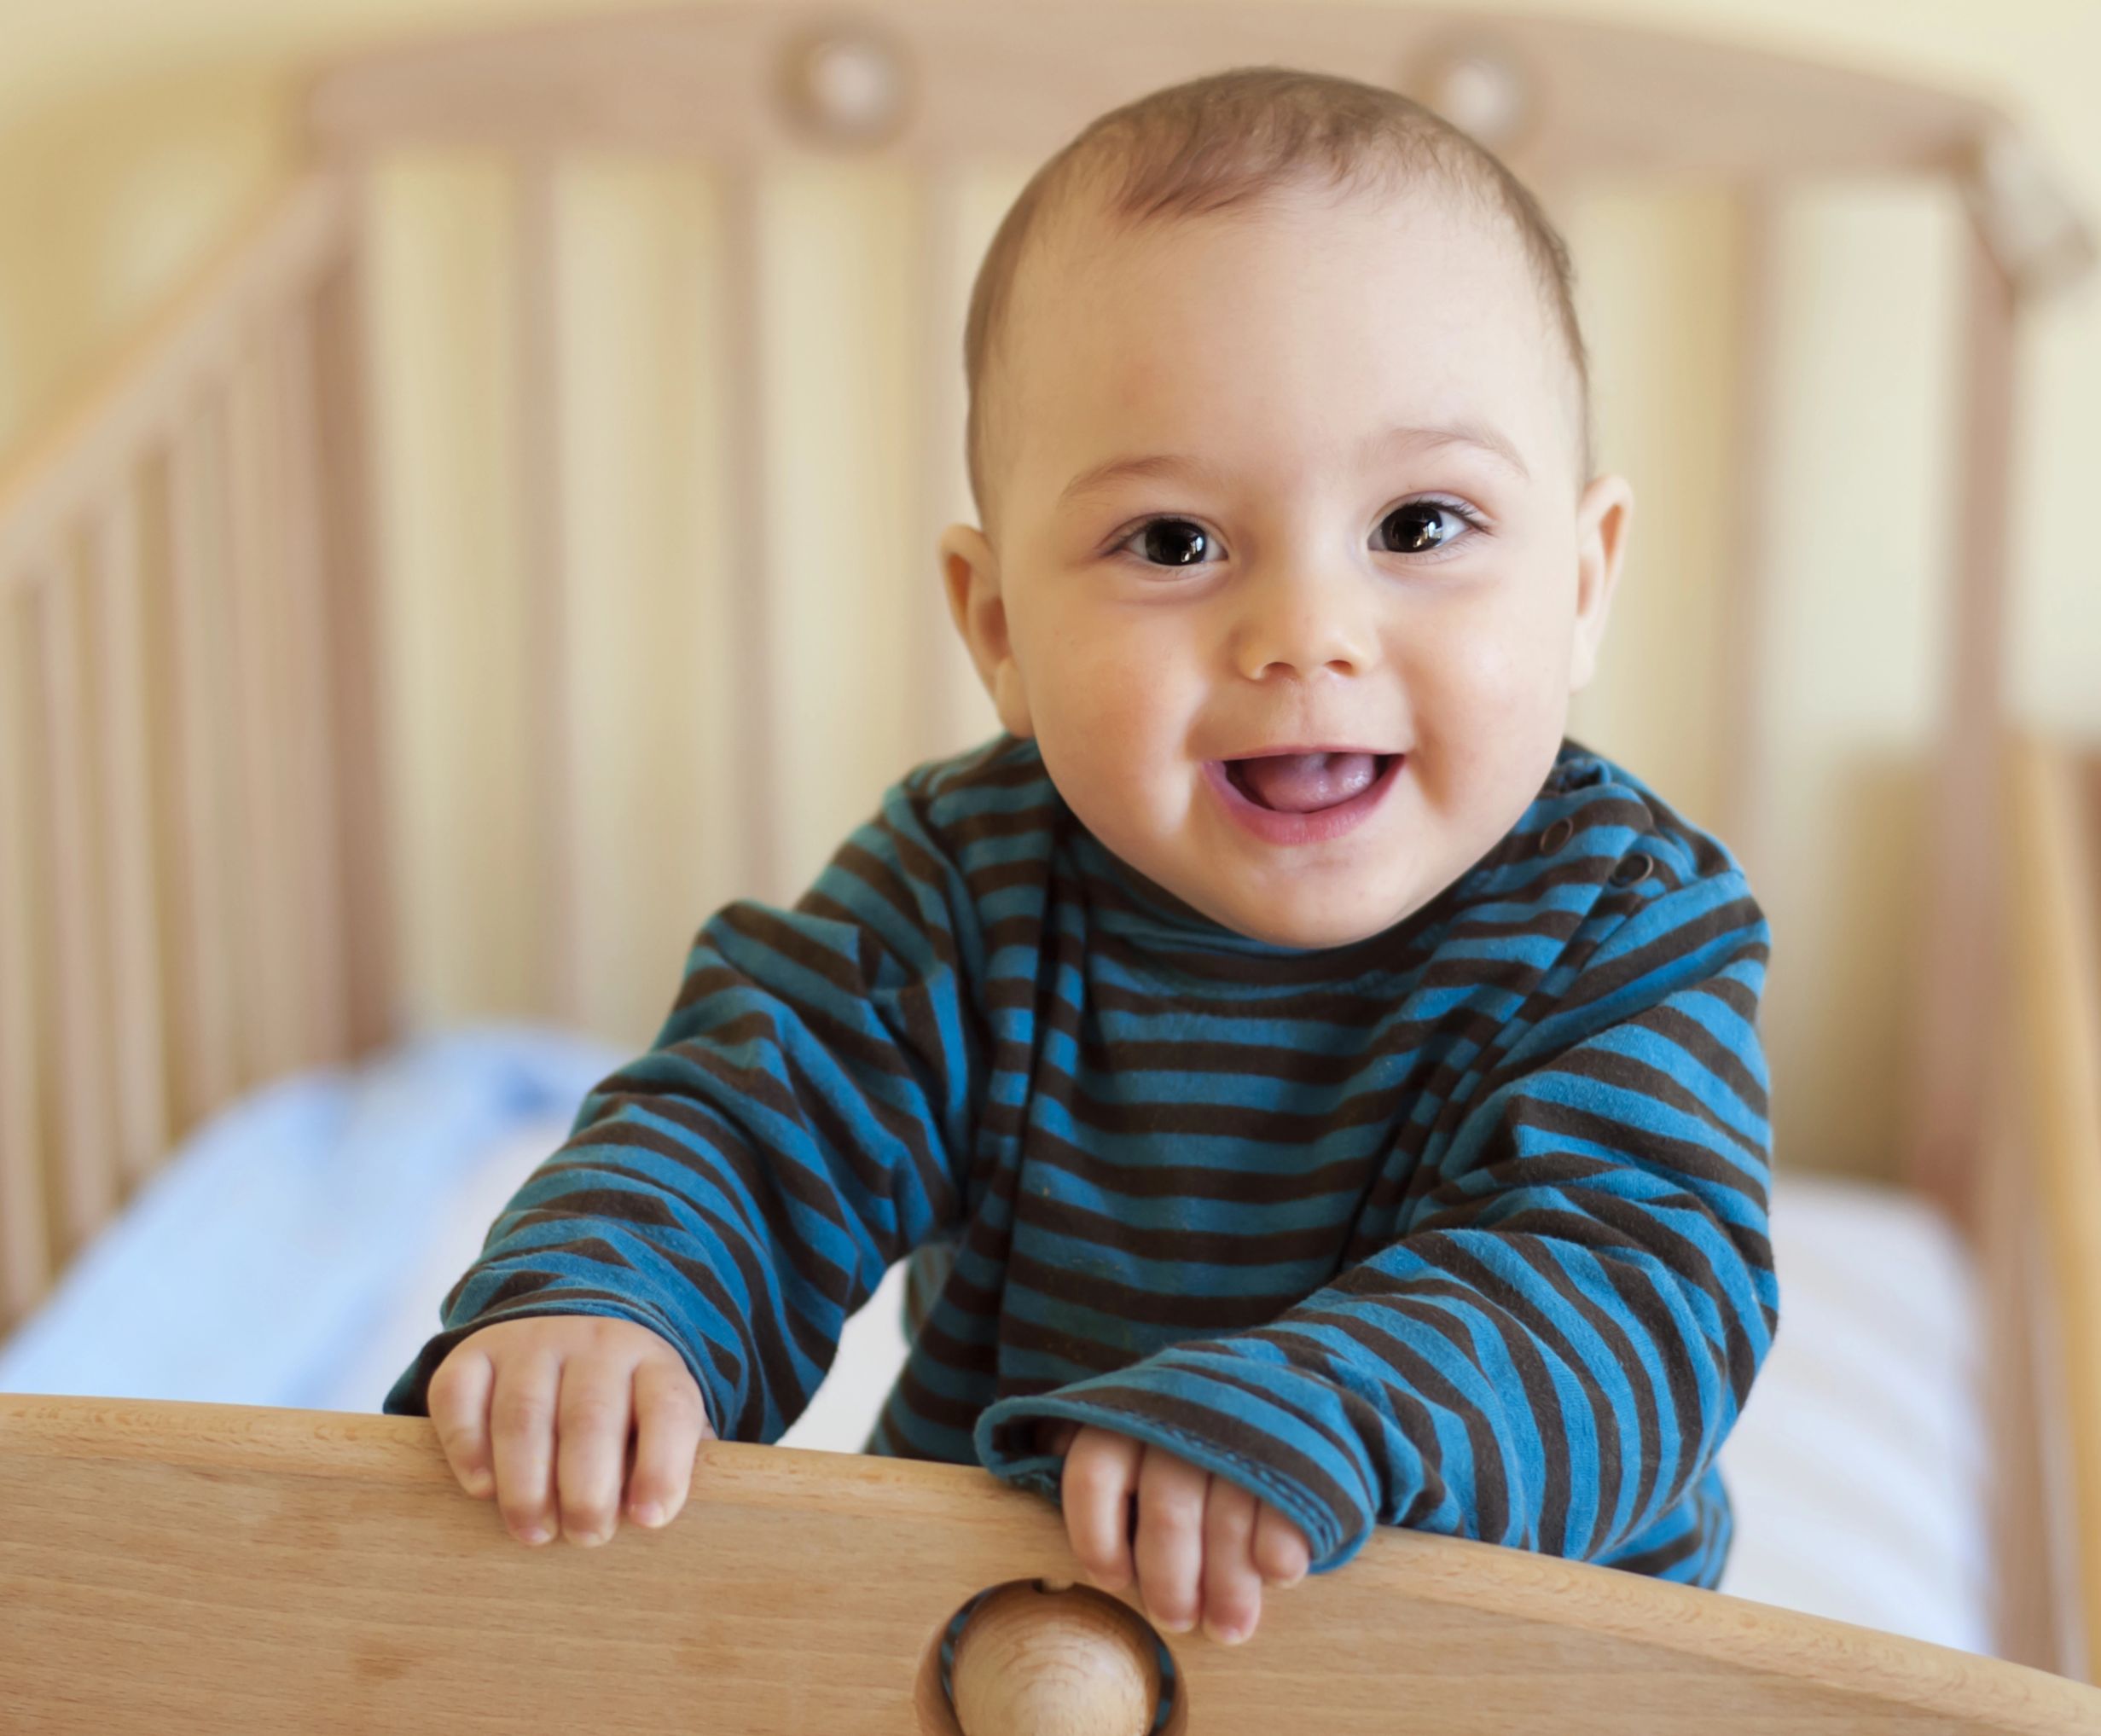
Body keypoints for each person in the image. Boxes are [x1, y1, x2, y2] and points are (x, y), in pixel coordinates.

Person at [385, 65, 1775, 1653]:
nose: (1307, 634)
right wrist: (609, 1303)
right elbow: (753, 1123)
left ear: (1585, 581)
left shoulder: (1624, 926)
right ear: (998, 629)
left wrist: (1312, 1411)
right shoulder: (966, 889)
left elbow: (1633, 1293)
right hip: (997, 1646)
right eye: (1175, 543)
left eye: (1420, 527)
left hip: (1492, 1675)